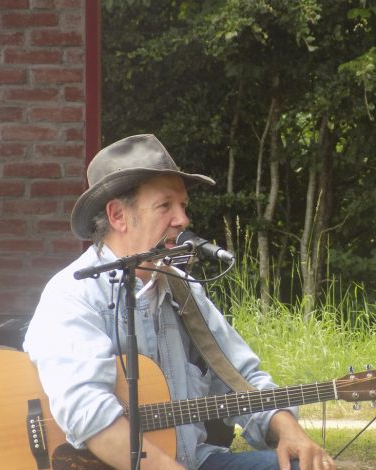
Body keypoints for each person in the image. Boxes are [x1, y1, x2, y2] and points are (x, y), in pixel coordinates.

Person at [23, 134, 336, 470]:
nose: (183, 220)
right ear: (117, 216)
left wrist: (290, 431)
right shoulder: (72, 295)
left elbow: (240, 374)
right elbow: (89, 415)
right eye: (165, 205)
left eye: (183, 205)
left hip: (195, 461)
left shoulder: (181, 287)